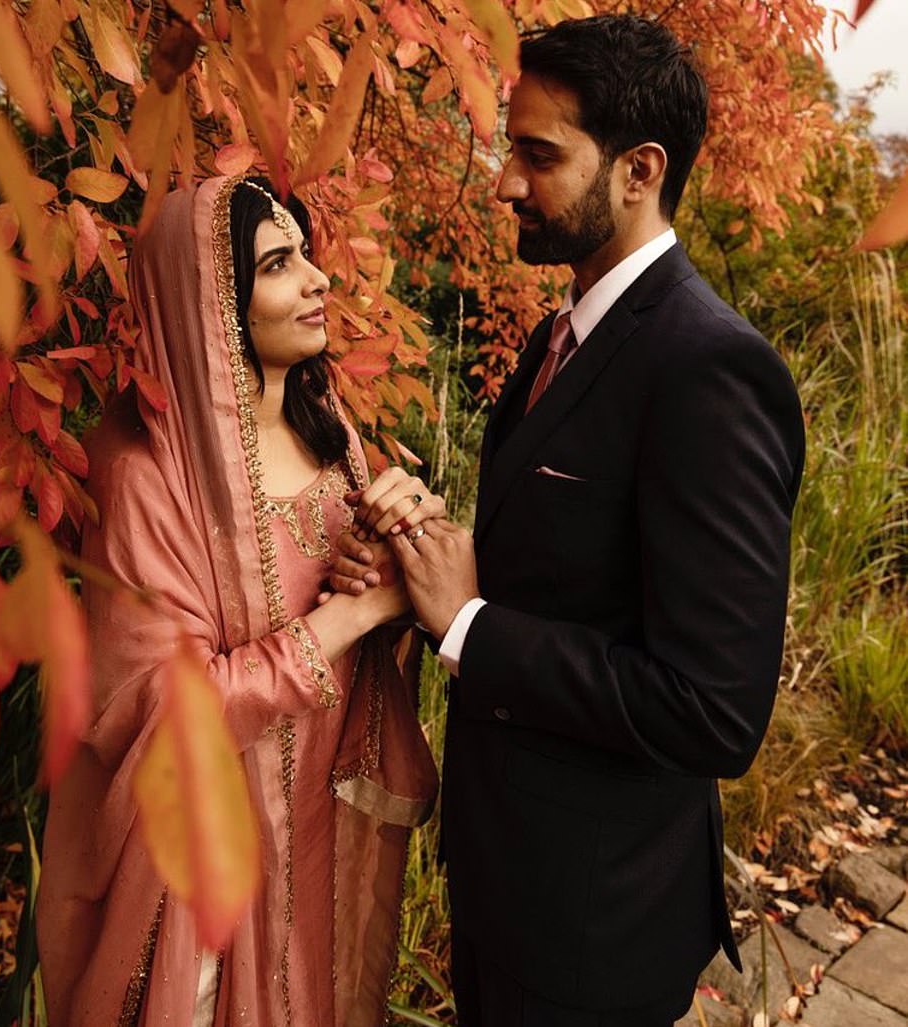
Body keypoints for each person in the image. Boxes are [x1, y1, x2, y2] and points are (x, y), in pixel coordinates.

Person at [333, 15, 806, 1026]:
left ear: (638, 170)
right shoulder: (563, 333)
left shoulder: (703, 370)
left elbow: (713, 710)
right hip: (513, 885)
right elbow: (562, 567)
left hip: (593, 925)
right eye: (510, 145)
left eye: (536, 154)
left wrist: (468, 629)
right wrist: (425, 567)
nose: (503, 181)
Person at [36, 175, 441, 1027]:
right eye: (278, 264)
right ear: (209, 300)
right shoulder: (147, 472)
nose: (317, 280)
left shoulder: (329, 430)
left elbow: (357, 624)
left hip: (317, 834)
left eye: (308, 258)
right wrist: (353, 614)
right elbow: (167, 713)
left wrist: (398, 564)